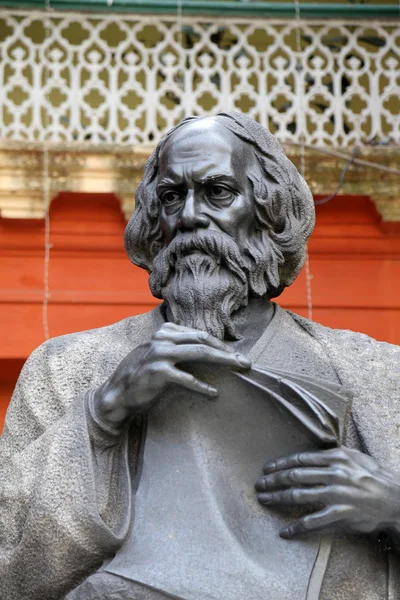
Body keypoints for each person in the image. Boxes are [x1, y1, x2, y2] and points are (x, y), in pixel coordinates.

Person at [1, 112, 399, 600]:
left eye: (218, 192)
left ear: (267, 211)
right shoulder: (65, 369)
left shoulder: (377, 374)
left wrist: (394, 510)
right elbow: (10, 564)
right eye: (171, 197)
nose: (189, 215)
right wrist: (102, 414)